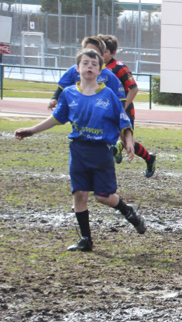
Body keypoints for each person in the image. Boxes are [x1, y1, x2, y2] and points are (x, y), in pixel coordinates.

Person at [15, 48, 146, 251]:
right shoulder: (68, 94)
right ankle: (86, 240)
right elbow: (56, 118)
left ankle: (128, 211)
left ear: (100, 70)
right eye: (85, 63)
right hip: (78, 150)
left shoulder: (108, 95)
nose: (90, 67)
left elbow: (123, 120)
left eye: (94, 64)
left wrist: (128, 139)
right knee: (80, 194)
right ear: (78, 68)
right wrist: (32, 130)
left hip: (101, 151)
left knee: (103, 196)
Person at [99, 34, 158, 178]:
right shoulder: (96, 67)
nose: (101, 54)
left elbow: (134, 88)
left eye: (104, 52)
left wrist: (122, 107)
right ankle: (114, 152)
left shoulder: (119, 68)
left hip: (123, 110)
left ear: (112, 53)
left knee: (127, 143)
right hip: (105, 110)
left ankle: (149, 158)